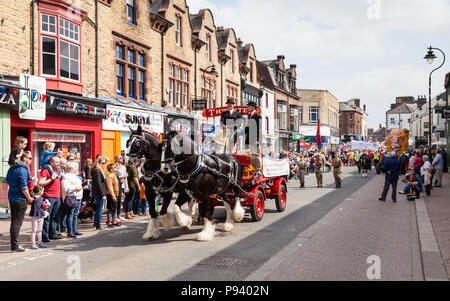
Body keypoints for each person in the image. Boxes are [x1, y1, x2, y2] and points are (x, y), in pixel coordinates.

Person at [6, 151, 34, 252]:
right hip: (20, 199)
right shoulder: (23, 169)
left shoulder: (12, 168)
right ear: (24, 158)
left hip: (12, 197)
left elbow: (7, 180)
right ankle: (15, 246)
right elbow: (23, 186)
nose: (31, 160)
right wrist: (29, 198)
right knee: (17, 223)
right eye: (30, 158)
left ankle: (14, 244)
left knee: (14, 222)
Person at [38, 156, 63, 242]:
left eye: (59, 162)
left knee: (55, 217)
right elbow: (41, 183)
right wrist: (51, 178)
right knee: (46, 218)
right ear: (51, 162)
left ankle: (53, 234)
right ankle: (44, 237)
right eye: (56, 162)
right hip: (48, 196)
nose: (58, 164)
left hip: (57, 197)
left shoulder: (57, 170)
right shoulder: (46, 170)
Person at [62, 165, 83, 237]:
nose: (76, 169)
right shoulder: (66, 176)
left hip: (78, 197)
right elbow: (66, 187)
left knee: (75, 215)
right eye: (75, 167)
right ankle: (70, 231)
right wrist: (75, 188)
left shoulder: (75, 176)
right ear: (71, 168)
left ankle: (74, 229)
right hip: (72, 197)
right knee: (70, 215)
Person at [91, 156, 108, 230]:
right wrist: (103, 194)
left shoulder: (98, 170)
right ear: (99, 163)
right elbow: (99, 183)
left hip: (98, 192)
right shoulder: (97, 171)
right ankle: (98, 225)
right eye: (103, 163)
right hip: (99, 192)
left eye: (104, 163)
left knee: (98, 208)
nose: (104, 164)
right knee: (99, 209)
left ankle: (96, 224)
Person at [115, 154, 128, 222]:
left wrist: (126, 187)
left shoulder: (123, 167)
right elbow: (115, 175)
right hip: (117, 186)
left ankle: (119, 215)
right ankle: (115, 216)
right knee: (117, 201)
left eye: (122, 158)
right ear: (117, 159)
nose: (122, 159)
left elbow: (126, 178)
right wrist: (123, 176)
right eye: (120, 158)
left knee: (120, 202)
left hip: (122, 186)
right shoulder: (115, 167)